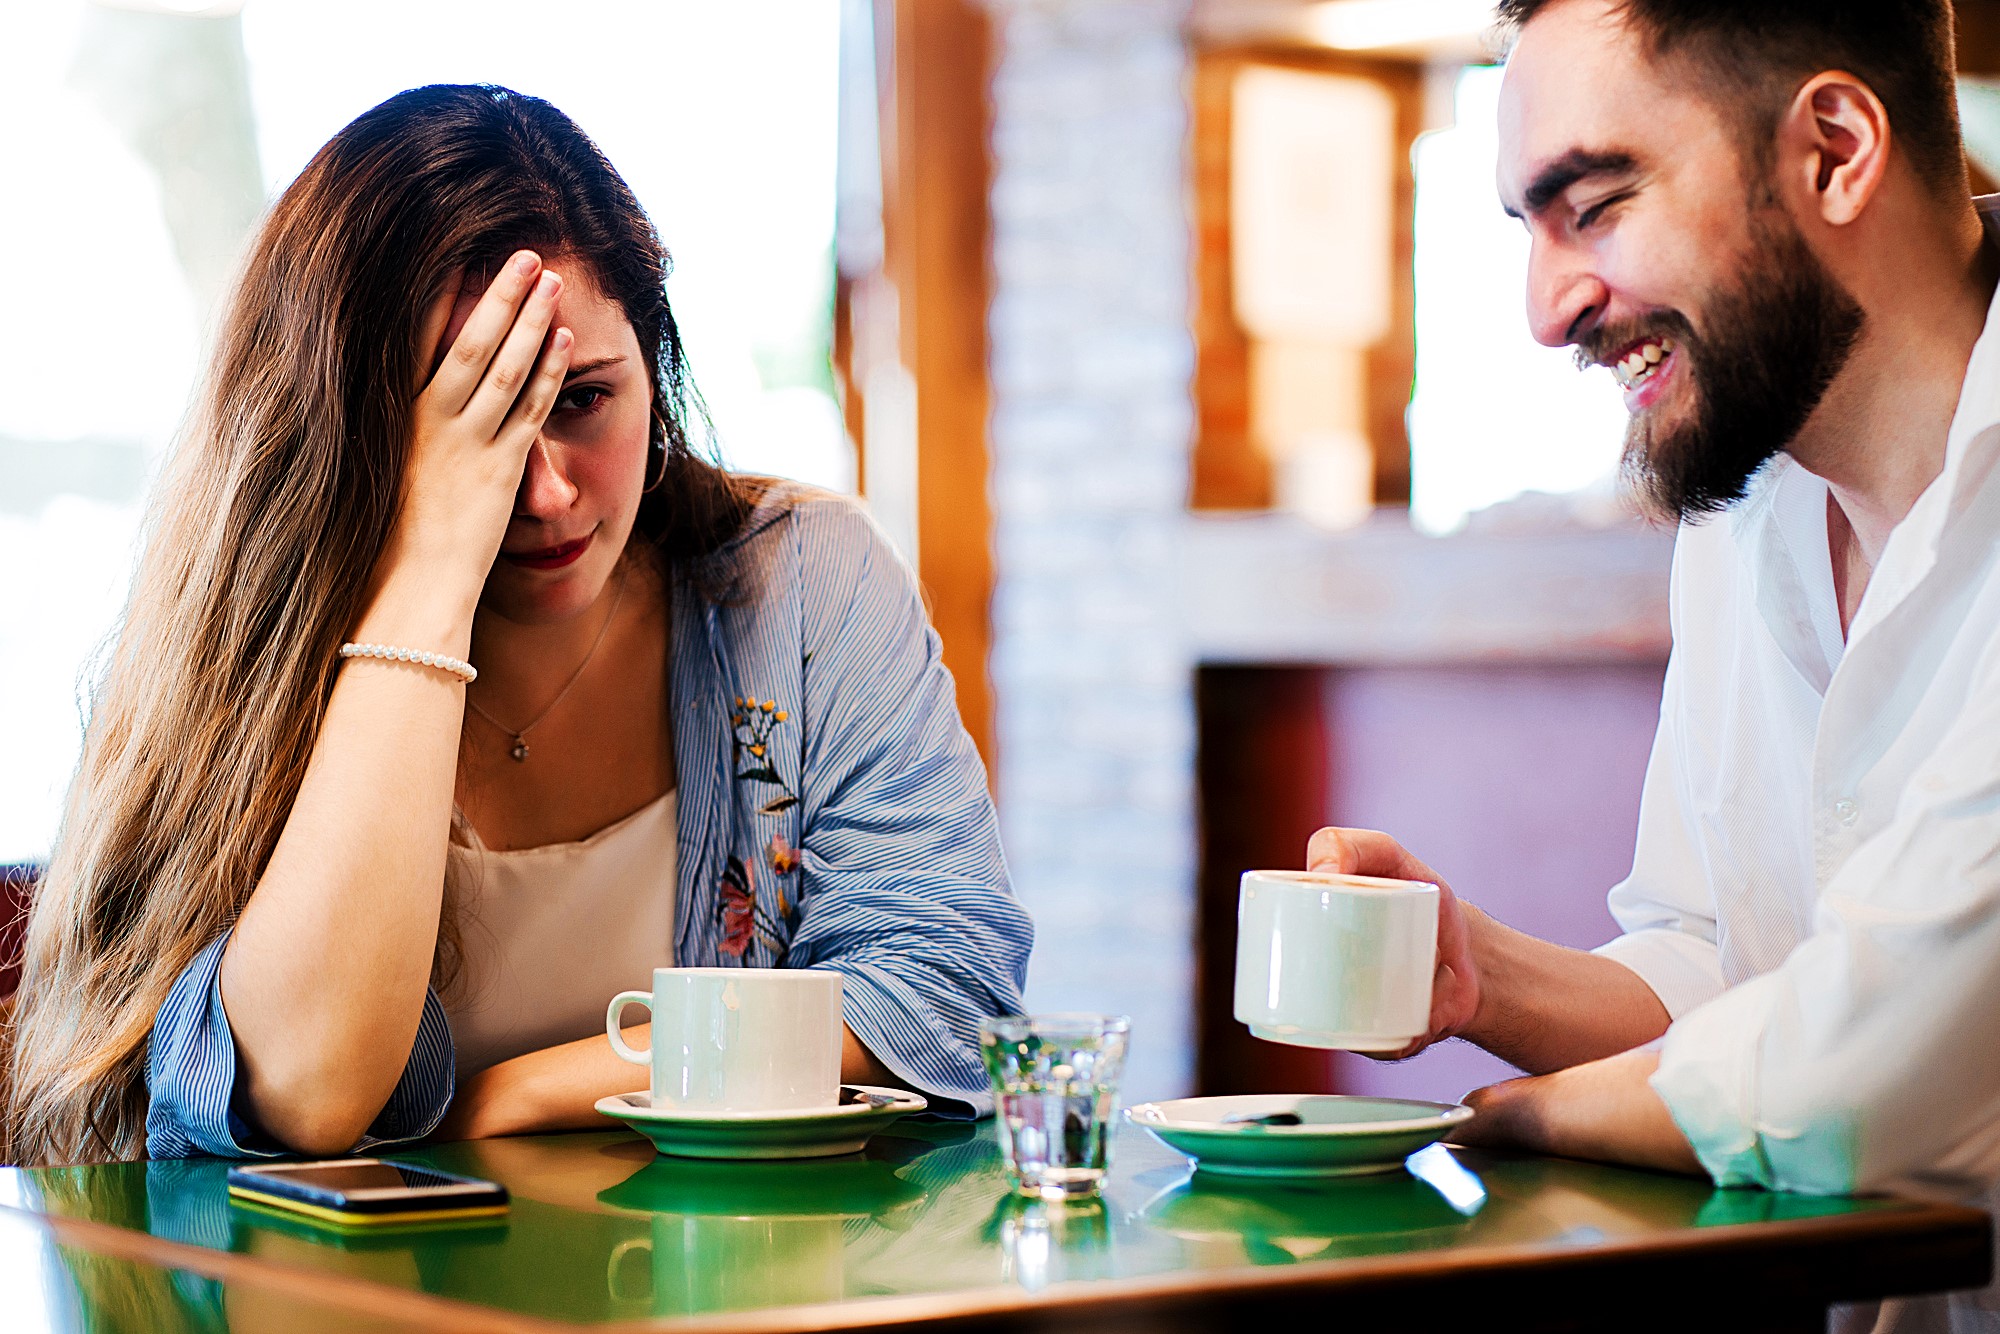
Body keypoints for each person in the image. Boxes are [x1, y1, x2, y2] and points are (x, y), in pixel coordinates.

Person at [0, 84, 1031, 1166]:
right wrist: (433, 556)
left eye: (582, 397)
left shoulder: (805, 581)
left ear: (658, 371)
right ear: (350, 424)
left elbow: (943, 984)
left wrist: (521, 1092)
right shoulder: (248, 640)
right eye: (469, 416)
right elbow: (304, 1092)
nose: (541, 493)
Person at [1308, 2, 2000, 1326]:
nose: (1545, 308)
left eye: (1597, 202)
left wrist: (1503, 1121)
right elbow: (1729, 982)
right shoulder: (1741, 515)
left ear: (1838, 149)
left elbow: (1845, 1075)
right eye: (1528, 229)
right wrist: (1484, 977)